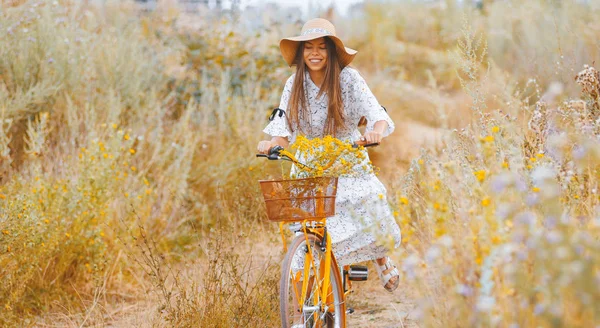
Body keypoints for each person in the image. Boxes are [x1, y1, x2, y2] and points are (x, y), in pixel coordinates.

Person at [257, 18, 402, 292]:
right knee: (307, 232)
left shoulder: (349, 78)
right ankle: (310, 309)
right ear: (301, 53)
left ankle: (380, 258)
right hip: (309, 162)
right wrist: (271, 143)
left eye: (321, 47)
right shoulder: (293, 83)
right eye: (308, 47)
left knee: (369, 205)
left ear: (331, 52)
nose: (314, 53)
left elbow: (376, 113)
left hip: (347, 156)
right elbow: (282, 127)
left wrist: (376, 133)